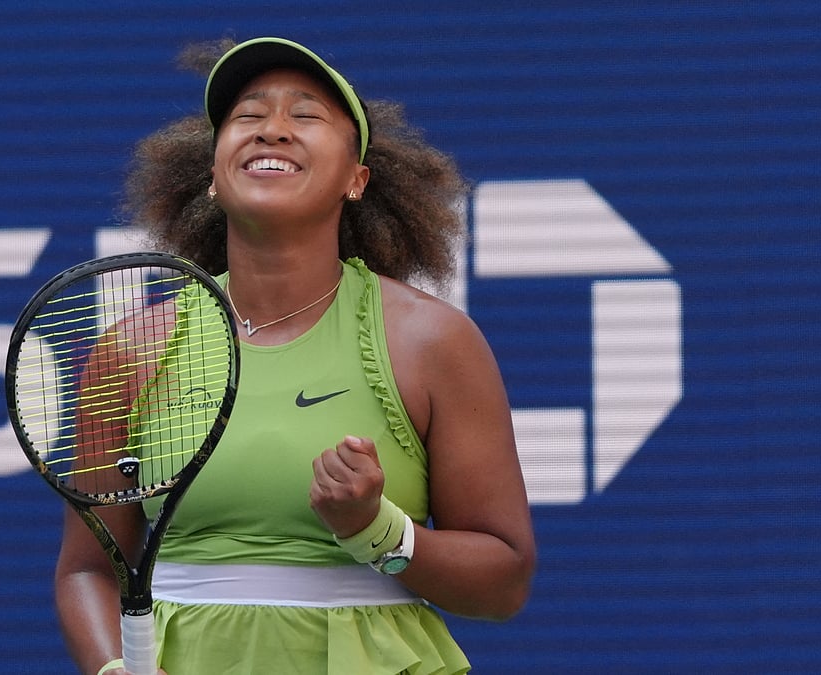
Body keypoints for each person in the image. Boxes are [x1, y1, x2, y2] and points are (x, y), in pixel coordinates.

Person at [54, 36, 536, 675]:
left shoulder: (432, 340)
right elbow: (88, 569)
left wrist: (374, 528)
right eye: (248, 116)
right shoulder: (132, 348)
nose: (273, 130)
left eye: (305, 116)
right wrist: (114, 669)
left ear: (356, 180)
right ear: (212, 174)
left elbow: (503, 585)